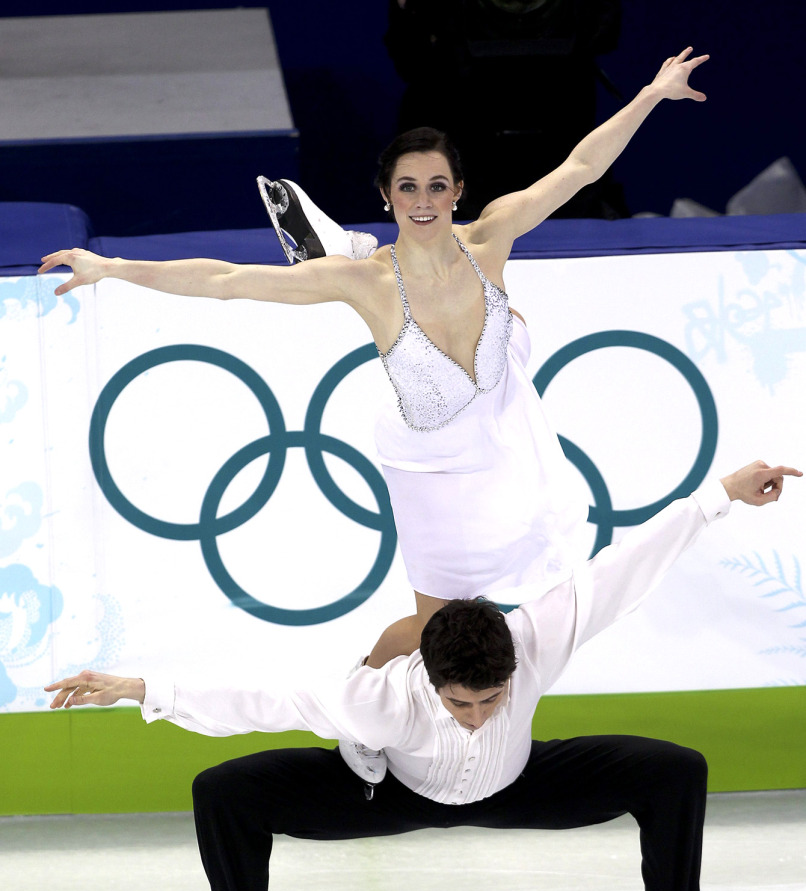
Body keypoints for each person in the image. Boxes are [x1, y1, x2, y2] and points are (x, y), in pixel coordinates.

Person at [45, 460, 801, 891]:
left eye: (492, 699)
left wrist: (721, 495)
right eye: (460, 703)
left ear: (513, 669)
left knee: (675, 771)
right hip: (390, 790)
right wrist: (140, 687)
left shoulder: (535, 640)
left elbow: (626, 567)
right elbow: (261, 699)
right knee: (225, 790)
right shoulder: (381, 696)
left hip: (518, 782)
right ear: (430, 681)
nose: (476, 717)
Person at [39, 47, 710, 676]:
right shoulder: (370, 287)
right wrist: (114, 267)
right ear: (387, 196)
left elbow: (580, 168)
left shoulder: (491, 235)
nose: (424, 200)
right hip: (434, 470)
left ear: (458, 192)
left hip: (507, 427)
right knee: (436, 627)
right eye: (408, 188)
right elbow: (227, 280)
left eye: (437, 187)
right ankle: (360, 706)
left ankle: (349, 246)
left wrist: (651, 94)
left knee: (508, 339)